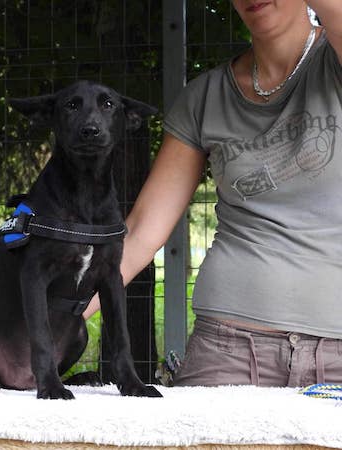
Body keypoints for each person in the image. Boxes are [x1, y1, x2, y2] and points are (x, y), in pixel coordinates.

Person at [84, 0, 342, 387]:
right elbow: (138, 235)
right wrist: (54, 320)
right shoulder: (204, 97)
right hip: (227, 349)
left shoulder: (333, 59)